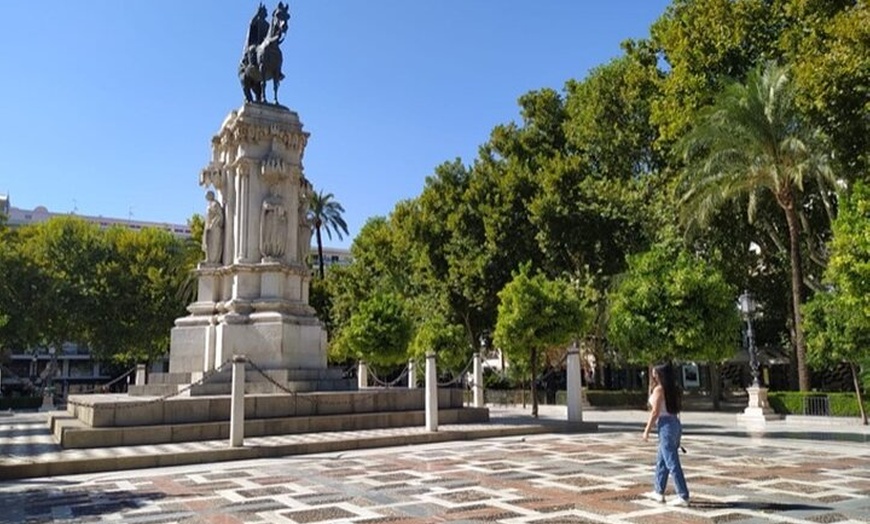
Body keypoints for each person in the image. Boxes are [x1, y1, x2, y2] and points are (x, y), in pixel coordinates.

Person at [642, 363, 690, 506]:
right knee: (662, 460)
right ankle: (658, 491)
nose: (653, 375)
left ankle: (683, 495)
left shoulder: (659, 390)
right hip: (674, 422)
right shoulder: (672, 389)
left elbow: (655, 412)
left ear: (660, 375)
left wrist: (647, 430)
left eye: (655, 373)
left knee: (671, 462)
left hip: (665, 425)